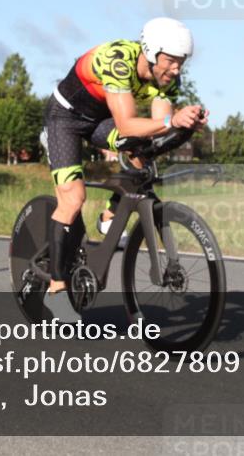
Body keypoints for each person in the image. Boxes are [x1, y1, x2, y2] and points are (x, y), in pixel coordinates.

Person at [41, 17, 207, 297]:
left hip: (99, 120)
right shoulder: (118, 60)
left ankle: (110, 215)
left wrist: (185, 127)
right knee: (73, 199)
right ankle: (56, 287)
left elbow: (158, 133)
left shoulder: (167, 78)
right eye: (170, 60)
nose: (176, 68)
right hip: (65, 119)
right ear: (152, 52)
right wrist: (173, 120)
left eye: (182, 61)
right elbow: (129, 124)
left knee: (143, 148)